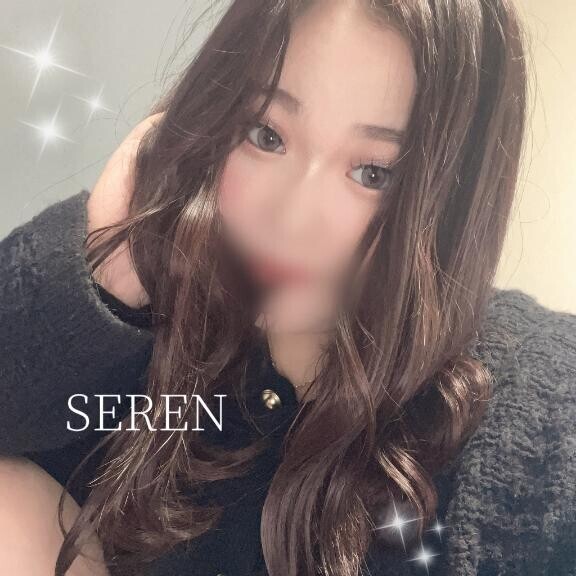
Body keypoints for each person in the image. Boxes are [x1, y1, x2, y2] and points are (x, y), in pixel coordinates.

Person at [1, 0, 575, 575]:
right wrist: (111, 262)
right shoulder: (153, 329)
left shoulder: (530, 407)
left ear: (454, 206)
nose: (292, 218)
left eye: (373, 173)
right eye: (267, 134)